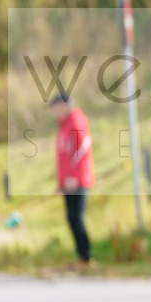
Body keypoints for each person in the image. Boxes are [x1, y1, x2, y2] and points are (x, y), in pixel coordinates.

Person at [50, 92, 96, 268]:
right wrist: (61, 181)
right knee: (71, 218)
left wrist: (74, 177)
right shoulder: (63, 126)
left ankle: (86, 257)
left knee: (76, 217)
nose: (53, 112)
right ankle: (82, 257)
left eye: (56, 107)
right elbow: (64, 155)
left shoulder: (76, 121)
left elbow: (82, 149)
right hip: (68, 182)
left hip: (78, 180)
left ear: (65, 105)